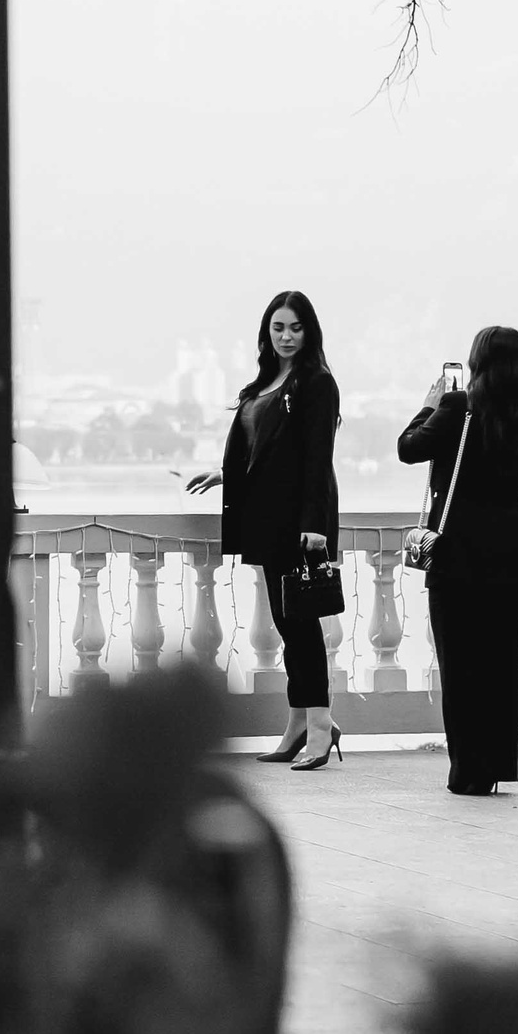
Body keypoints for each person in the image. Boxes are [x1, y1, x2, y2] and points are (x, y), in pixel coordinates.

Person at [188, 290, 342, 769]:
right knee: (285, 623)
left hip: (298, 525)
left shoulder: (316, 383)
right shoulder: (264, 382)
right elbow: (263, 451)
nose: (286, 336)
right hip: (268, 518)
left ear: (309, 331)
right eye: (278, 327)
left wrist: (314, 526)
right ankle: (299, 721)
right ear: (266, 332)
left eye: (295, 328)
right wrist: (226, 473)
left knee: (302, 626)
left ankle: (320, 725)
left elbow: (317, 458)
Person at [399, 326, 518, 796]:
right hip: (511, 550)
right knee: (500, 666)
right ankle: (497, 765)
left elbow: (408, 448)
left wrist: (429, 402)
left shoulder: (457, 408)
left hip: (459, 552)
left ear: (476, 360)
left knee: (460, 666)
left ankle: (468, 770)